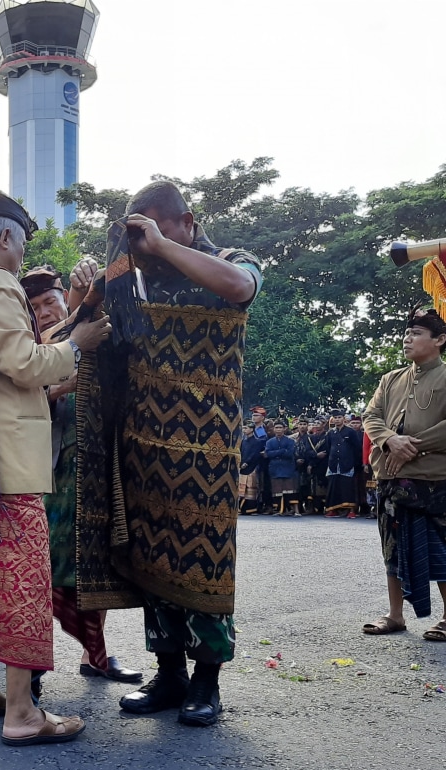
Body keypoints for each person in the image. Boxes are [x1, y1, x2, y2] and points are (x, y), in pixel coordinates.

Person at [74, 180, 262, 727]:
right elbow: (90, 338)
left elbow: (240, 289)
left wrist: (158, 245)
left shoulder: (230, 259)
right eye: (137, 231)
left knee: (204, 559)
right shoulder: (133, 282)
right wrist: (87, 292)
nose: (144, 243)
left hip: (207, 447)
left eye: (154, 225)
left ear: (187, 221)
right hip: (141, 443)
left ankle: (207, 681)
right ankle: (169, 672)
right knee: (151, 556)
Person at [0, 190, 111, 746]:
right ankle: (22, 714)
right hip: (7, 464)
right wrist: (76, 344)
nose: (22, 250)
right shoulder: (0, 283)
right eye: (23, 239)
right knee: (25, 586)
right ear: (6, 238)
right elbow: (22, 363)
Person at [22, 263, 142, 684]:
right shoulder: (30, 350)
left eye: (49, 301)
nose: (44, 312)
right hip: (48, 474)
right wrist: (60, 387)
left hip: (96, 464)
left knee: (95, 560)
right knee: (44, 566)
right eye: (34, 307)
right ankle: (30, 668)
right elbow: (19, 404)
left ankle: (96, 656)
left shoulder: (88, 332)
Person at [363, 305, 446, 640]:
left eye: (417, 334)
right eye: (407, 332)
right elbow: (371, 417)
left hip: (434, 479)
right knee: (392, 546)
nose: (407, 339)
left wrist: (412, 446)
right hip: (391, 478)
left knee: (441, 548)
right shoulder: (390, 379)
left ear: (440, 340)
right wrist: (389, 440)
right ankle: (395, 615)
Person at [324, 410, 361, 518]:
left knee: (348, 487)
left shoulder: (350, 432)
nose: (337, 419)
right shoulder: (330, 433)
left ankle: (351, 511)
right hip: (334, 463)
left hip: (347, 463)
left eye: (339, 417)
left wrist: (355, 463)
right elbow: (328, 447)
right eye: (335, 418)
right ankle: (333, 510)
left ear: (343, 418)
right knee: (333, 487)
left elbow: (357, 448)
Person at [265, 420, 300, 516]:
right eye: (276, 427)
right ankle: (280, 510)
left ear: (285, 429)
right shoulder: (269, 442)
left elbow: (289, 453)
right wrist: (282, 451)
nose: (278, 429)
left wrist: (276, 452)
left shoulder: (290, 441)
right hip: (275, 469)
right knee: (277, 490)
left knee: (290, 490)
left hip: (288, 468)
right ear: (273, 429)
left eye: (280, 427)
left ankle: (295, 510)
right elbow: (268, 454)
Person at [238, 421, 263, 515]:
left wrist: (247, 462)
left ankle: (251, 509)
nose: (244, 430)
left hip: (252, 467)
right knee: (241, 489)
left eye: (246, 428)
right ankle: (241, 509)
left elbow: (255, 454)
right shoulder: (243, 441)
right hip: (242, 466)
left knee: (251, 488)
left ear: (252, 429)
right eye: (243, 428)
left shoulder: (257, 441)